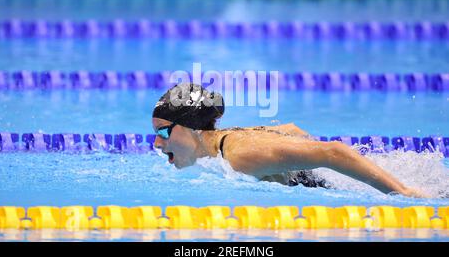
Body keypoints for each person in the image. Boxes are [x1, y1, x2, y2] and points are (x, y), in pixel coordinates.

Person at [152, 83, 428, 198]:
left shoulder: (239, 156)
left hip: (337, 188)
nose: (157, 143)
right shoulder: (222, 142)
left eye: (163, 131)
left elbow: (334, 152)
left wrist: (401, 192)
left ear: (191, 128)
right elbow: (290, 129)